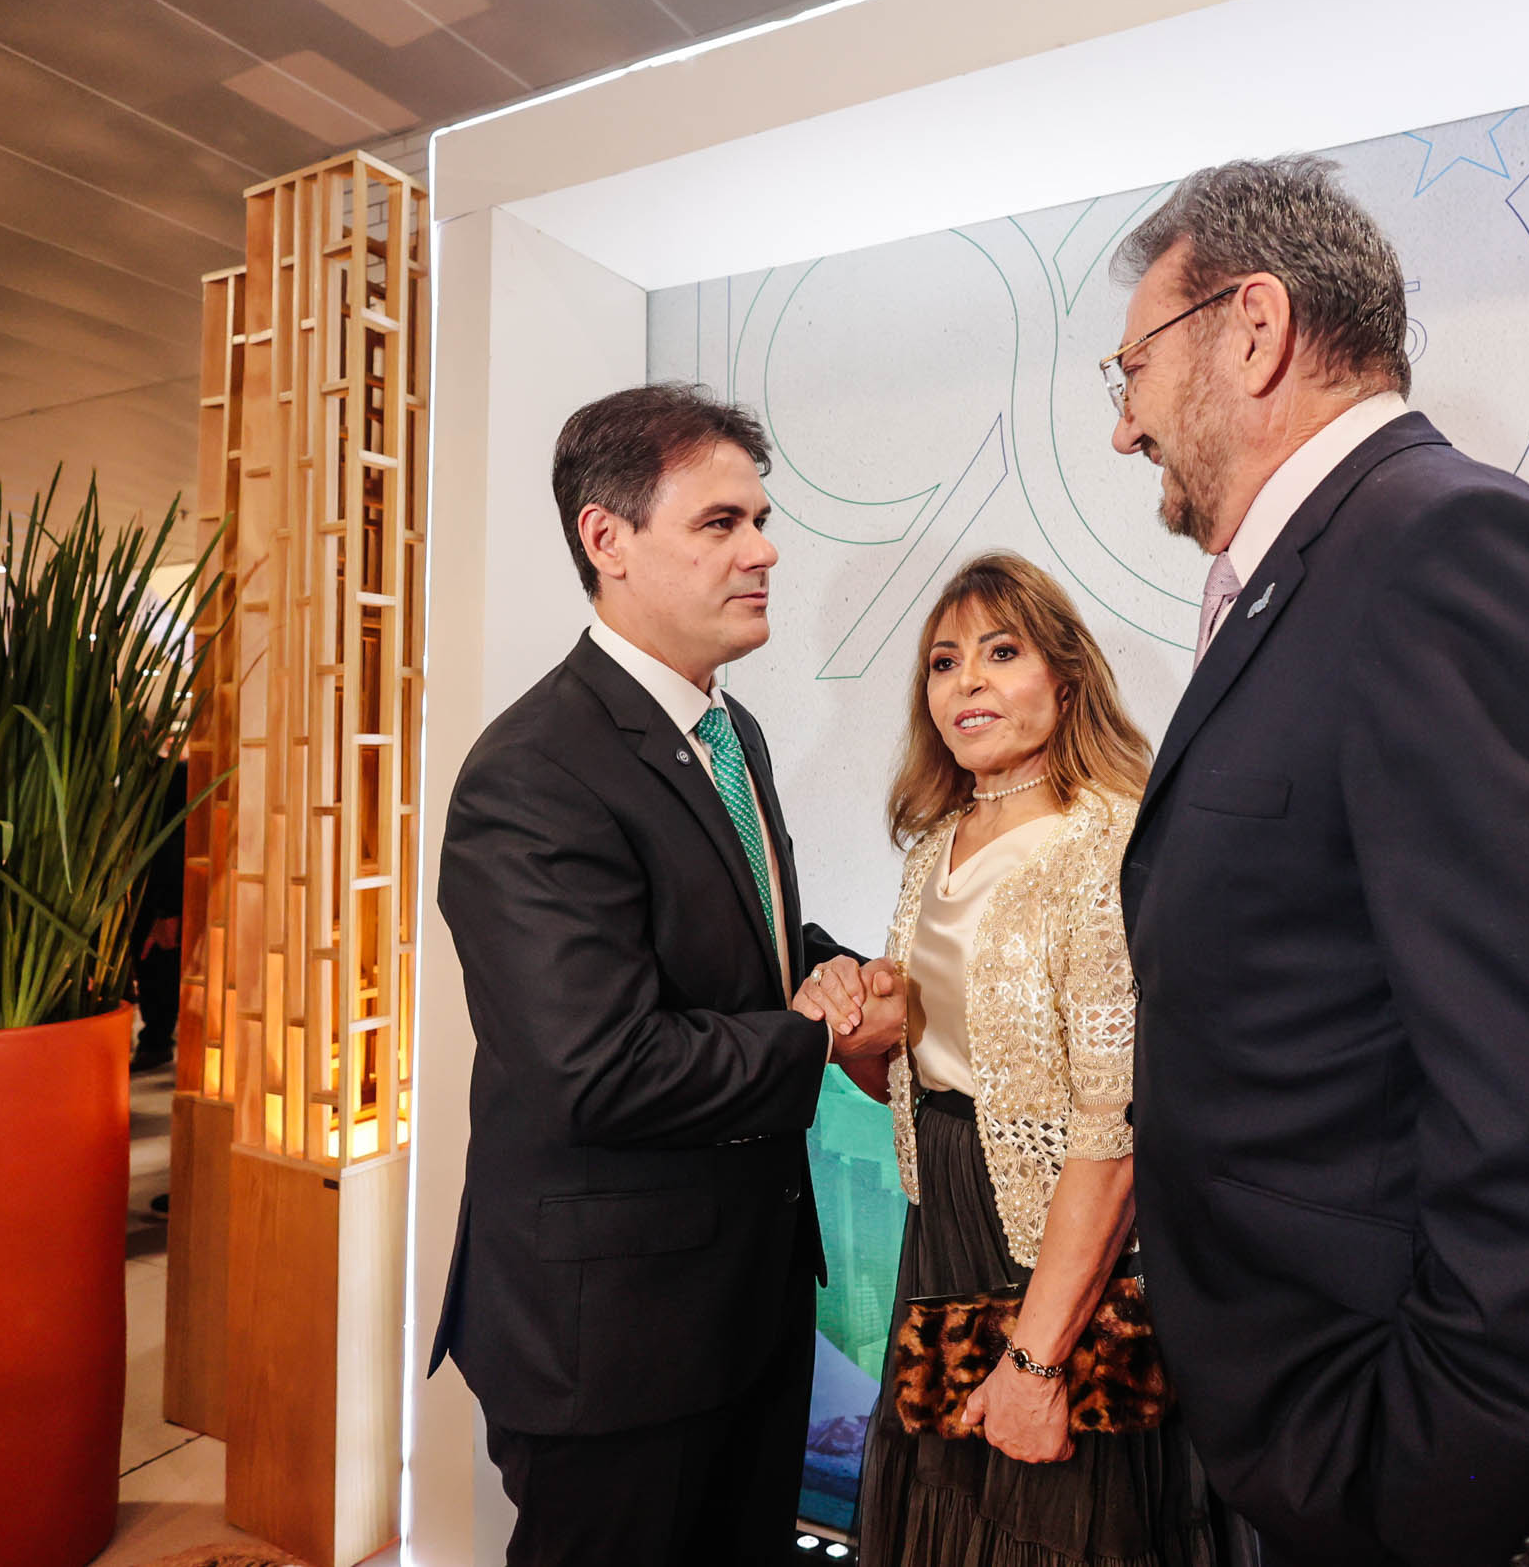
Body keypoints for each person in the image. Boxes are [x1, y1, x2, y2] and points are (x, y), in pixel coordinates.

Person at [1102, 156, 1529, 1567]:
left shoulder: (1442, 546)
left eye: (1131, 370)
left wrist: (1436, 1479)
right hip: (1314, 1445)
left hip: (1420, 1482)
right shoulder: (1312, 570)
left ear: (1254, 328)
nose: (1123, 429)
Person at [429, 382, 908, 1567]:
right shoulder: (532, 772)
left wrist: (840, 974)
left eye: (761, 519)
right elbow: (598, 1067)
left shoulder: (728, 734)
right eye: (720, 523)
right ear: (608, 539)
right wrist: (817, 1036)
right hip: (615, 1338)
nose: (764, 550)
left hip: (744, 1301)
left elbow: (742, 939)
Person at [797, 552, 1215, 1567]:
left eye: (1000, 651)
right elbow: (928, 1085)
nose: (967, 681)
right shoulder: (934, 847)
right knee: (942, 1518)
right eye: (944, 662)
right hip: (938, 1231)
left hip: (1057, 1245)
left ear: (1065, 680)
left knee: (1052, 1518)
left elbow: (1111, 1132)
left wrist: (1036, 1358)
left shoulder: (1107, 844)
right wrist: (855, 1031)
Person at [128, 757, 188, 1075]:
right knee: (151, 962)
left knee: (157, 961)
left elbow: (174, 843)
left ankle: (156, 1041)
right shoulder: (133, 774)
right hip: (142, 891)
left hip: (160, 893)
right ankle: (155, 1039)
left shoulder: (174, 774)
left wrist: (167, 910)